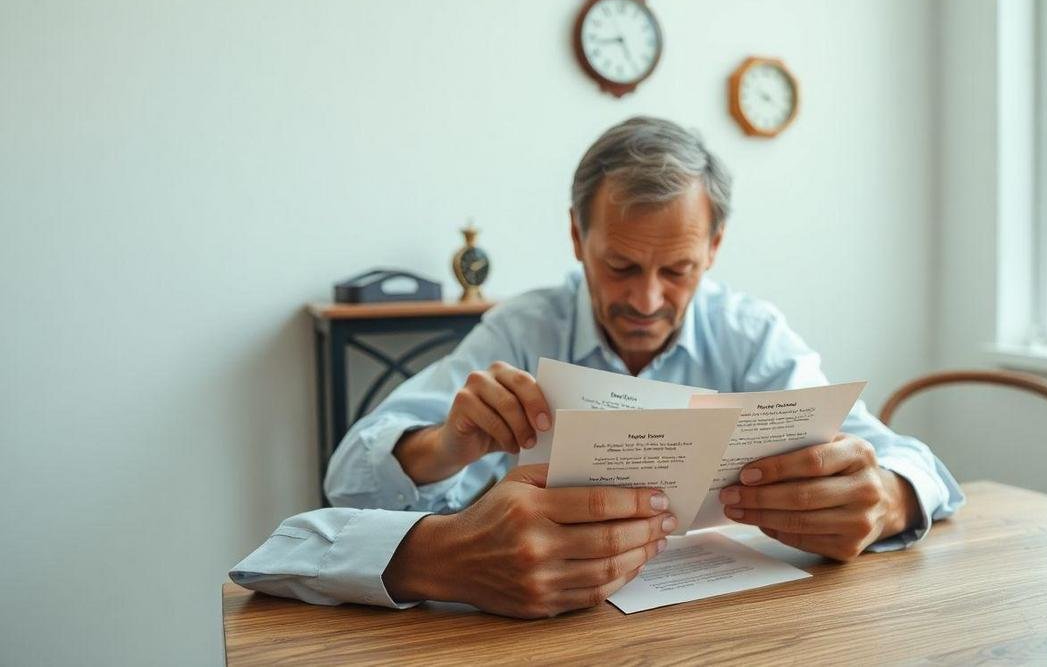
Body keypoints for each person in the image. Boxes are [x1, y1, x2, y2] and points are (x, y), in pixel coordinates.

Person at [230, 116, 963, 618]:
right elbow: (347, 478)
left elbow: (913, 462)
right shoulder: (522, 328)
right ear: (577, 236)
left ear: (714, 247)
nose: (646, 300)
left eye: (677, 269)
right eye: (620, 266)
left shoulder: (752, 335)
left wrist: (887, 499)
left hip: (720, 624)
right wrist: (447, 444)